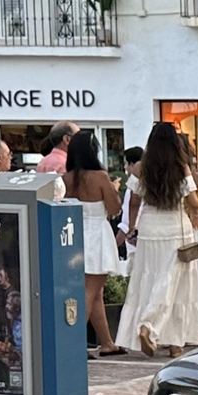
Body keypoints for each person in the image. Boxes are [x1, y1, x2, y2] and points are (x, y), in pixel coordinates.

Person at [116, 121, 198, 356]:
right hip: (177, 232)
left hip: (149, 231)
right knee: (177, 286)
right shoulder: (181, 167)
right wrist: (196, 211)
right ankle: (170, 340)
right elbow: (193, 201)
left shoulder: (142, 169)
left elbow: (134, 201)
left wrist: (133, 229)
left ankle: (148, 327)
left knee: (150, 281)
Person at [65, 129, 127, 355]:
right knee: (90, 290)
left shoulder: (66, 178)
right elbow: (114, 209)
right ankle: (71, 342)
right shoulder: (100, 176)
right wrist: (115, 190)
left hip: (75, 234)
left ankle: (107, 342)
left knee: (95, 291)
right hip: (97, 235)